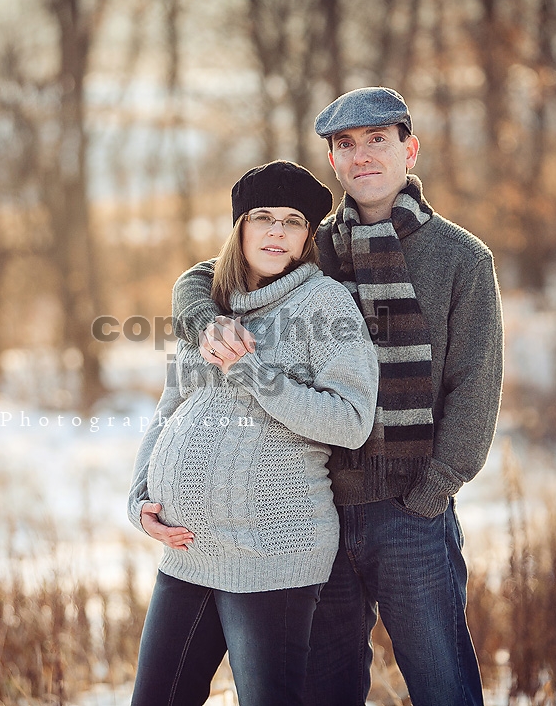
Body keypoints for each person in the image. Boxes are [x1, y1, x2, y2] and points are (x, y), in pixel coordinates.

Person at [172, 87, 504, 705]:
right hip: (320, 507)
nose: (362, 156)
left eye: (378, 140)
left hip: (411, 511)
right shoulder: (312, 241)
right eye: (345, 145)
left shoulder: (462, 258)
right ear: (333, 161)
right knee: (326, 690)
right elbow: (201, 277)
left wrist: (430, 495)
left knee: (442, 685)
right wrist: (203, 323)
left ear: (411, 149)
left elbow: (475, 389)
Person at [128, 160, 380, 705]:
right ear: (239, 227)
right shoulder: (212, 308)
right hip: (189, 549)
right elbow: (171, 408)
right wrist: (139, 495)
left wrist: (254, 372)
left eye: (292, 221)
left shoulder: (327, 306)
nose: (275, 231)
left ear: (307, 236)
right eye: (261, 217)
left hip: (274, 553)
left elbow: (352, 421)